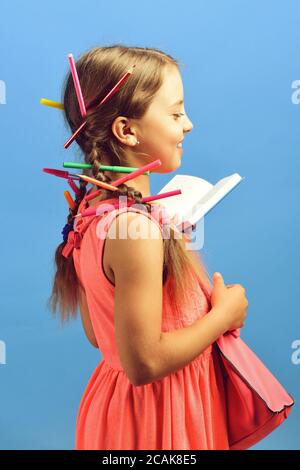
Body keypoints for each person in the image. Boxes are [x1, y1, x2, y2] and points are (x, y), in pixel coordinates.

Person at [48, 44, 248, 450]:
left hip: (120, 408)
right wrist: (222, 316)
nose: (188, 124)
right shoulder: (134, 232)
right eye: (175, 113)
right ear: (127, 130)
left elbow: (99, 335)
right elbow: (144, 364)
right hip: (159, 418)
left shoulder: (89, 213)